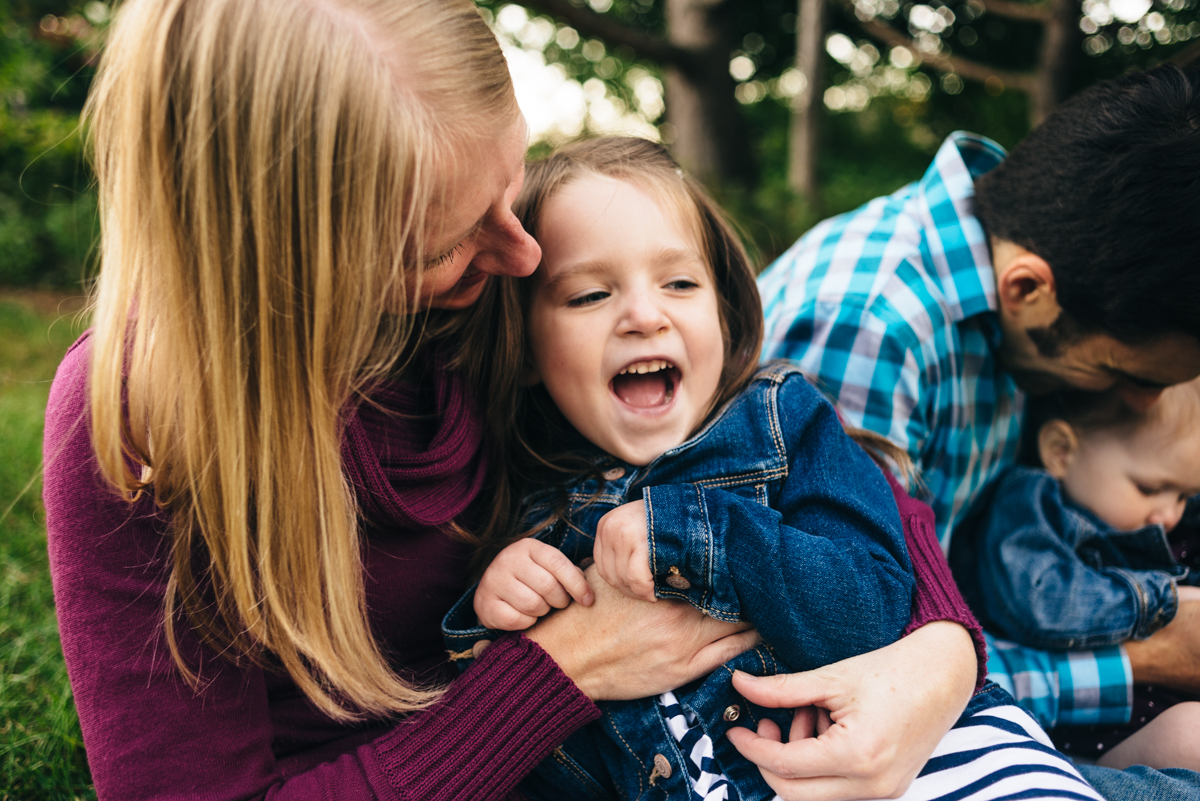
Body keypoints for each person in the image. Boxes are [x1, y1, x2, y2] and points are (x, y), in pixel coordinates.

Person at [43, 1, 980, 799]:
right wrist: (563, 671)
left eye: (512, 181)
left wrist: (939, 660)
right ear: (299, 266)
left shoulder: (498, 294)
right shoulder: (135, 425)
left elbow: (790, 451)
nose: (520, 254)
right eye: (446, 242)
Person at [443, 137, 1103, 801]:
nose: (645, 315)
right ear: (523, 345)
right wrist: (492, 613)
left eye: (679, 283)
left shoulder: (782, 425)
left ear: (725, 312)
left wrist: (704, 539)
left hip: (936, 770)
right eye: (589, 295)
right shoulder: (527, 501)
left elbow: (870, 610)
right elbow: (545, 751)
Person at [756, 63, 1200, 798]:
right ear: (1029, 289)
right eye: (1132, 373)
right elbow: (864, 673)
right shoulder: (874, 328)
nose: (1142, 403)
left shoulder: (1012, 291)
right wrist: (1142, 658)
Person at [955, 381, 1200, 772]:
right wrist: (1163, 598)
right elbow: (1042, 603)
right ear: (1061, 451)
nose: (1168, 515)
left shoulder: (1161, 522)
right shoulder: (1034, 509)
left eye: (1184, 496)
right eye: (1151, 488)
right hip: (1087, 731)